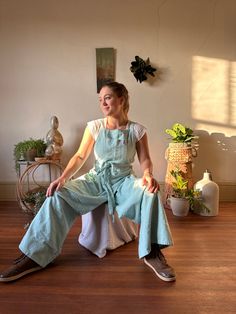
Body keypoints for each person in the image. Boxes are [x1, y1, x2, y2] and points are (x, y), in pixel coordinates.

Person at [0, 82, 175, 283]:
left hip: (123, 180)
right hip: (96, 179)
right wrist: (62, 178)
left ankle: (152, 252)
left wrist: (147, 174)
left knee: (151, 192)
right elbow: (80, 156)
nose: (103, 102)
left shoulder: (137, 130)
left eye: (107, 97)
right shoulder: (95, 126)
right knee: (57, 194)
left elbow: (145, 159)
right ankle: (34, 255)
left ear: (122, 99)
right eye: (100, 99)